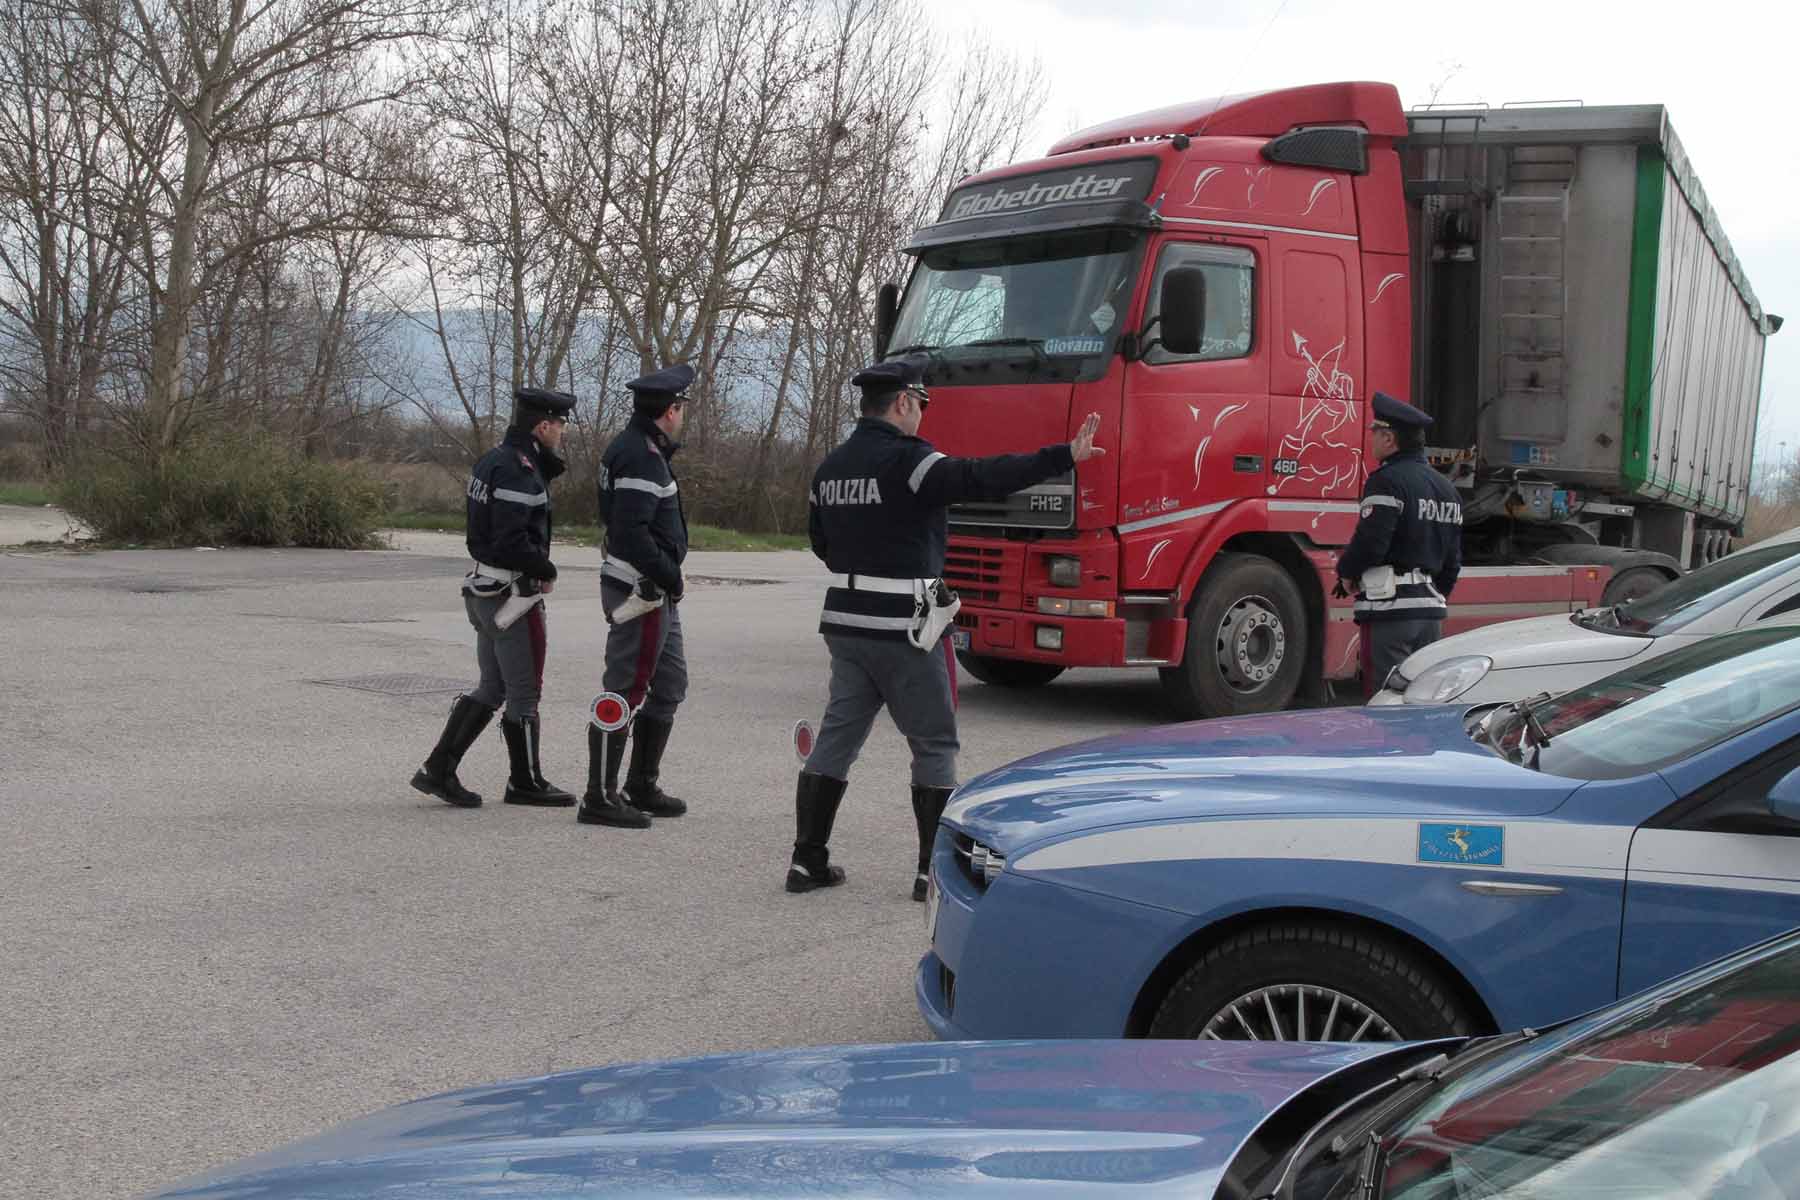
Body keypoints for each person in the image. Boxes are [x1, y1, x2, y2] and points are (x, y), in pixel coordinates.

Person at [788, 355, 1105, 898]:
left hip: (846, 622)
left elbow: (822, 544)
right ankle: (928, 872)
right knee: (934, 743)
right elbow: (981, 477)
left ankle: (806, 860)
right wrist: (1063, 456)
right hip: (904, 628)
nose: (923, 416)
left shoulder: (830, 469)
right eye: (922, 404)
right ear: (905, 403)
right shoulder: (911, 462)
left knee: (838, 739)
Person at [411, 387, 577, 808]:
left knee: (492, 686)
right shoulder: (519, 470)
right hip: (512, 595)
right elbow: (511, 539)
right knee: (524, 691)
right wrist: (546, 570)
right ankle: (525, 781)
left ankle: (439, 768)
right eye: (559, 425)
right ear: (543, 426)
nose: (562, 433)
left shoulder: (494, 459)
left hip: (484, 591)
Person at [579, 363, 695, 829]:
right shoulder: (642, 456)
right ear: (670, 410)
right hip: (641, 587)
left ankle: (640, 783)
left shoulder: (640, 448)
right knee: (626, 688)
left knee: (669, 686)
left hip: (655, 589)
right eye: (682, 408)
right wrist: (669, 575)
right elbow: (629, 533)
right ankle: (599, 796)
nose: (683, 416)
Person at [1336, 391, 1464, 695]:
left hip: (1390, 612)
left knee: (1385, 698)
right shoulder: (1447, 489)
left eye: (1375, 433)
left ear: (1389, 439)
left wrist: (1347, 571)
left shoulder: (1386, 481)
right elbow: (1453, 562)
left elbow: (1372, 541)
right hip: (1430, 613)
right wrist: (1431, 595)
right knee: (1421, 699)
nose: (1371, 440)